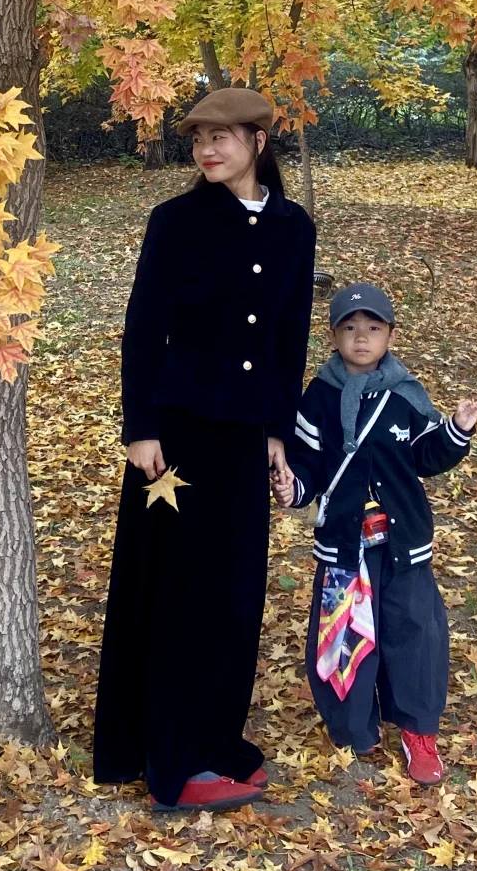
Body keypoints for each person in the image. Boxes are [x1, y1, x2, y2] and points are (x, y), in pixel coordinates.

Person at [93, 88, 317, 812]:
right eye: (198, 139)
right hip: (177, 440)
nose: (206, 150)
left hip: (246, 440)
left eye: (221, 137)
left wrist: (278, 432)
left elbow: (288, 340)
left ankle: (218, 739)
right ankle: (171, 760)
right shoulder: (177, 222)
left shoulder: (292, 228)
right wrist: (140, 427)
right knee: (178, 597)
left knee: (234, 595)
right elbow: (142, 328)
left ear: (258, 140)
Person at [272, 282, 477, 786]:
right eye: (349, 328)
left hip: (403, 541)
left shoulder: (406, 393)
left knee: (414, 630)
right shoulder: (319, 397)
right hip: (345, 545)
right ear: (334, 336)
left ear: (390, 334)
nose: (361, 338)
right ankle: (354, 727)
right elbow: (308, 466)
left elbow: (427, 455)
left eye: (372, 328)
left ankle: (418, 731)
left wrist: (457, 428)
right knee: (345, 633)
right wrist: (291, 486)